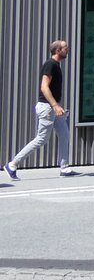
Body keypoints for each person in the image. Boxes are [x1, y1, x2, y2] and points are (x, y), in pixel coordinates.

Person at [4, 40, 79, 180]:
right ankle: (13, 164)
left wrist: (57, 106)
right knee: (41, 139)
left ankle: (64, 168)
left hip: (53, 107)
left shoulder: (56, 65)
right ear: (57, 50)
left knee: (64, 135)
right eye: (65, 48)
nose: (67, 50)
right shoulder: (50, 65)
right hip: (47, 107)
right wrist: (55, 106)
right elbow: (44, 87)